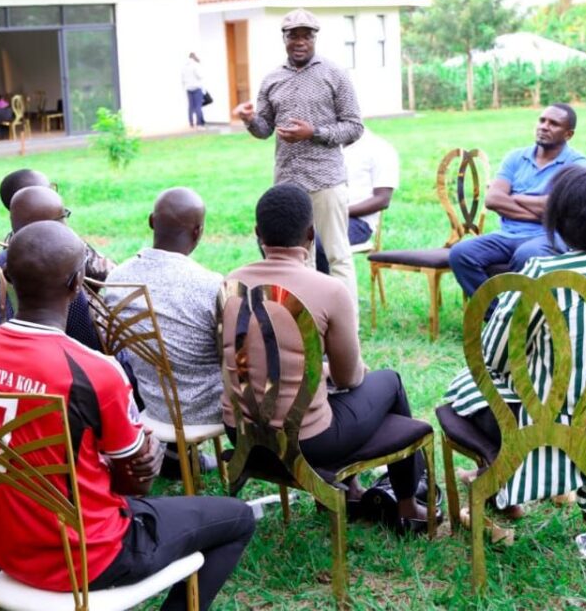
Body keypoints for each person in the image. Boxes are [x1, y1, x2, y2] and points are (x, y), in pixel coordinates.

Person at [0, 221, 254, 610]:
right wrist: (144, 464)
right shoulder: (93, 370)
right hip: (86, 556)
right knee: (238, 518)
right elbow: (134, 486)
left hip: (5, 547)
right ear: (77, 283)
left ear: (7, 277)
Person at [440, 168, 586, 519]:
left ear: (561, 222)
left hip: (555, 437)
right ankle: (515, 481)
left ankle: (504, 480)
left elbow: (495, 358)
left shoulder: (542, 273)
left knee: (471, 386)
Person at [222, 184, 432, 526]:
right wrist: (334, 370)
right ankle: (407, 504)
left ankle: (353, 491)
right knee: (388, 381)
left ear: (257, 233)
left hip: (240, 432)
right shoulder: (328, 290)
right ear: (310, 233)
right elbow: (350, 377)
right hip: (309, 443)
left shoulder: (231, 283)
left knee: (330, 389)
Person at [233, 8, 363, 303]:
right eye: (294, 36)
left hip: (325, 179)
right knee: (297, 261)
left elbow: (354, 127)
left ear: (315, 38)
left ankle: (345, 326)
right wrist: (250, 119)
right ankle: (307, 326)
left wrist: (313, 132)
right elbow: (265, 129)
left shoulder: (334, 75)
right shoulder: (272, 80)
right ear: (285, 39)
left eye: (306, 35)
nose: (300, 41)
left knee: (337, 255)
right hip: (288, 184)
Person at [104, 188, 222, 475]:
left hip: (152, 403)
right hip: (207, 408)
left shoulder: (116, 280)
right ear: (198, 232)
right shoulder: (210, 285)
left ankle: (176, 458)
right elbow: (228, 355)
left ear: (151, 222)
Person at [447, 104, 586, 299]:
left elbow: (559, 207)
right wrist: (546, 212)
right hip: (507, 234)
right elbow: (493, 199)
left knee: (527, 254)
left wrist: (514, 198)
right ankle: (497, 316)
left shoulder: (577, 163)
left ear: (568, 134)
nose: (544, 127)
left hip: (550, 236)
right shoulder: (515, 157)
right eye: (542, 120)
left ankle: (526, 318)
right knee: (461, 253)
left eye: (554, 124)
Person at [0, 185, 102, 351]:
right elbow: (87, 342)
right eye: (63, 216)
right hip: (66, 359)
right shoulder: (66, 281)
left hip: (16, 347)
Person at [315, 127, 399, 273]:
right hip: (320, 215)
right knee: (272, 235)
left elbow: (382, 199)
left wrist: (337, 211)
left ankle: (324, 292)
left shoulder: (380, 149)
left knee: (316, 242)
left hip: (357, 223)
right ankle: (287, 292)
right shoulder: (328, 146)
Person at [181, 52, 206, 128]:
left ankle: (191, 123)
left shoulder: (184, 67)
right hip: (196, 87)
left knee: (191, 106)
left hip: (188, 88)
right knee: (198, 106)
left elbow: (182, 79)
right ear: (194, 57)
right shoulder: (195, 65)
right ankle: (199, 124)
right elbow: (200, 76)